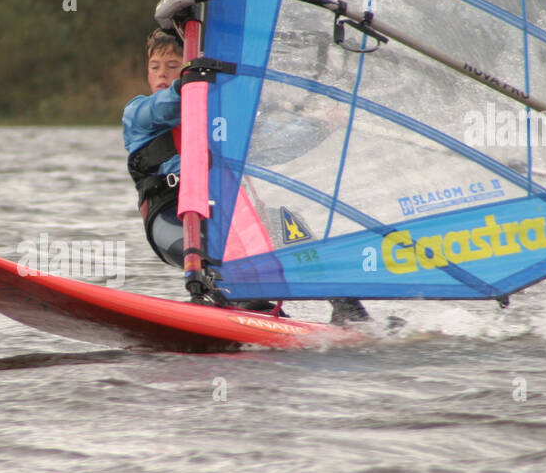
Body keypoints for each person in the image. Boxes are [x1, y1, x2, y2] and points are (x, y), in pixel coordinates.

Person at [121, 28, 371, 325]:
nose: (162, 74)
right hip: (171, 218)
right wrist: (190, 82)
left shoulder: (220, 120)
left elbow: (276, 145)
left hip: (225, 214)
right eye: (155, 67)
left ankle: (350, 314)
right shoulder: (137, 114)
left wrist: (322, 126)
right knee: (223, 260)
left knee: (293, 229)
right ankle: (248, 311)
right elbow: (164, 107)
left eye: (172, 66)